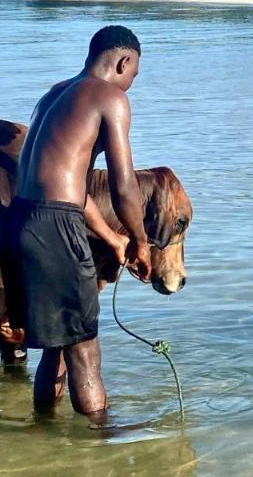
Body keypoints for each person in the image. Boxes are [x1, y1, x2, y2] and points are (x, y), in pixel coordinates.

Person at [11, 24, 152, 417]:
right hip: (56, 228)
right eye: (134, 75)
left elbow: (68, 186)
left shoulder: (53, 94)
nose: (131, 85)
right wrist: (140, 240)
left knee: (56, 345)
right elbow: (124, 185)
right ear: (124, 62)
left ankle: (44, 437)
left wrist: (112, 237)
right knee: (85, 351)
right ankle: (97, 449)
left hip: (23, 219)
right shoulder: (111, 98)